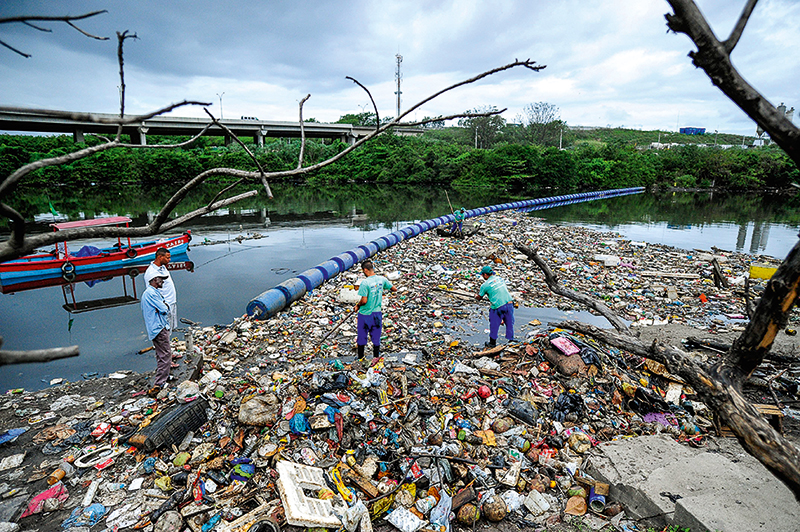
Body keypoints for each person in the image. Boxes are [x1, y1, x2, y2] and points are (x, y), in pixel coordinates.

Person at [355, 260, 397, 360]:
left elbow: (364, 300)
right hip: (377, 313)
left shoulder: (365, 283)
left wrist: (357, 305)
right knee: (376, 338)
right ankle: (376, 359)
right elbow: (394, 289)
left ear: (365, 270)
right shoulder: (382, 279)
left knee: (362, 337)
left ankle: (361, 358)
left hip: (365, 314)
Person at [141, 273, 173, 397]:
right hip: (159, 328)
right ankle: (160, 382)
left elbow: (161, 308)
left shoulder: (150, 293)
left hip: (155, 327)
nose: (163, 282)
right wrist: (163, 306)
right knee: (165, 354)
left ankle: (165, 375)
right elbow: (164, 309)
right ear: (155, 280)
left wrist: (161, 307)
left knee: (161, 353)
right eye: (161, 280)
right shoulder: (151, 293)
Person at [476, 265, 514, 347]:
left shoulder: (485, 285)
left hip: (498, 306)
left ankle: (492, 343)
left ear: (485, 275)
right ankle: (511, 341)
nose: (482, 277)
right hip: (510, 303)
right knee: (509, 323)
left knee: (494, 324)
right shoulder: (500, 279)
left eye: (482, 275)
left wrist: (476, 296)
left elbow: (479, 297)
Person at [144, 248, 177, 332]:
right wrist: (161, 307)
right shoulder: (152, 273)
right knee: (164, 329)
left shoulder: (162, 267)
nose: (169, 260)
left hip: (171, 302)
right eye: (167, 258)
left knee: (170, 327)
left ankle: (168, 344)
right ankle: (164, 344)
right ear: (160, 257)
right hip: (164, 306)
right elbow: (152, 293)